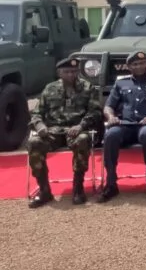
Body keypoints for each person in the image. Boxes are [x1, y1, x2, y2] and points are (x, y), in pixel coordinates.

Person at [100, 51, 146, 202]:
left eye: (142, 63)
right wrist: (111, 117)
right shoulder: (121, 82)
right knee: (111, 134)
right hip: (125, 125)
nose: (139, 66)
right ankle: (111, 184)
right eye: (135, 64)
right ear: (129, 67)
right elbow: (108, 106)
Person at [27, 58, 102, 208]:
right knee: (34, 143)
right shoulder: (49, 88)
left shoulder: (88, 88)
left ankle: (78, 188)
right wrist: (40, 126)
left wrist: (81, 125)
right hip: (52, 131)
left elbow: (95, 112)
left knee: (82, 140)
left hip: (77, 130)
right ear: (59, 73)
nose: (70, 75)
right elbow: (36, 113)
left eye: (74, 71)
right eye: (66, 72)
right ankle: (44, 190)